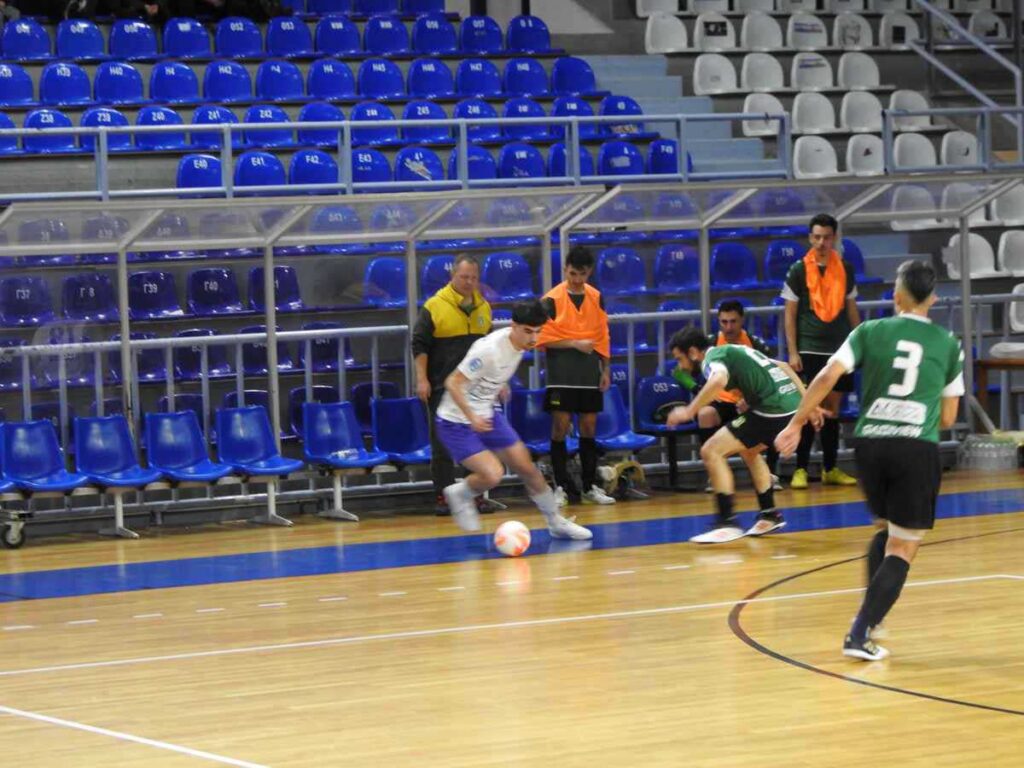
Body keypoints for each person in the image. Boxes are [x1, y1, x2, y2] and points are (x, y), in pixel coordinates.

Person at [775, 260, 964, 661]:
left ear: (896, 296)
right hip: (914, 447)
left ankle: (871, 616)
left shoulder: (868, 330)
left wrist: (796, 424)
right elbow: (949, 418)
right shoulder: (949, 344)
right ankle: (859, 634)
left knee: (884, 528)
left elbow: (827, 375)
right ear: (932, 299)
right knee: (903, 547)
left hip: (869, 444)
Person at [436, 300, 593, 541]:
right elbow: (453, 382)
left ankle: (556, 522)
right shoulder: (488, 350)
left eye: (538, 332)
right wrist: (472, 416)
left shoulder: (519, 345)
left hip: (488, 413)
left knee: (528, 469)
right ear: (513, 326)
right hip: (456, 421)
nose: (533, 338)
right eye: (528, 331)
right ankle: (460, 493)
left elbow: (492, 372)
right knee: (492, 475)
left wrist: (500, 384)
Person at [665, 326, 823, 544]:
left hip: (773, 409)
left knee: (711, 451)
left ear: (692, 352)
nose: (680, 366)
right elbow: (784, 366)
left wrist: (689, 411)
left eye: (679, 359)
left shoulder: (711, 359)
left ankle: (727, 523)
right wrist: (808, 403)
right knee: (749, 450)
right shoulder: (733, 349)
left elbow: (718, 381)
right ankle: (769, 514)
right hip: (789, 405)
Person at [412, 255, 501, 515]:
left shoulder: (484, 307)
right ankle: (444, 496)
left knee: (474, 443)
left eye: (473, 278)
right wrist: (422, 379)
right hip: (441, 386)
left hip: (475, 390)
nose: (469, 282)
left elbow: (489, 349)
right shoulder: (434, 306)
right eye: (464, 277)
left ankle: (473, 495)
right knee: (442, 444)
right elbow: (419, 345)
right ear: (452, 276)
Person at [782, 213, 861, 489]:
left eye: (826, 237)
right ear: (809, 238)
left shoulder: (846, 269)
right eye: (816, 237)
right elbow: (790, 314)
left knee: (832, 410)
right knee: (808, 408)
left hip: (839, 348)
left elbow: (852, 310)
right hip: (810, 348)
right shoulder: (798, 270)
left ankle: (830, 467)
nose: (821, 242)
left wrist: (858, 343)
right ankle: (801, 469)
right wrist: (793, 351)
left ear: (834, 238)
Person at [537, 246, 615, 507]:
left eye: (582, 274)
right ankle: (560, 486)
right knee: (560, 426)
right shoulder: (551, 299)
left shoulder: (596, 297)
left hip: (589, 372)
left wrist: (605, 369)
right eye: (572, 274)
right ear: (565, 270)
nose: (577, 279)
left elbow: (602, 334)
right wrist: (573, 343)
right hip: (561, 373)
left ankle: (590, 486)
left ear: (589, 272)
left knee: (589, 426)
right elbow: (541, 338)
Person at [697, 300, 782, 492]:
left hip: (750, 402)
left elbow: (771, 376)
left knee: (772, 414)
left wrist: (753, 400)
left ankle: (770, 473)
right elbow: (687, 374)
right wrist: (701, 392)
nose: (728, 327)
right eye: (724, 322)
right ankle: (715, 474)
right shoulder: (710, 344)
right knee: (705, 414)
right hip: (722, 402)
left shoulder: (756, 344)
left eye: (733, 321)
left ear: (742, 320)